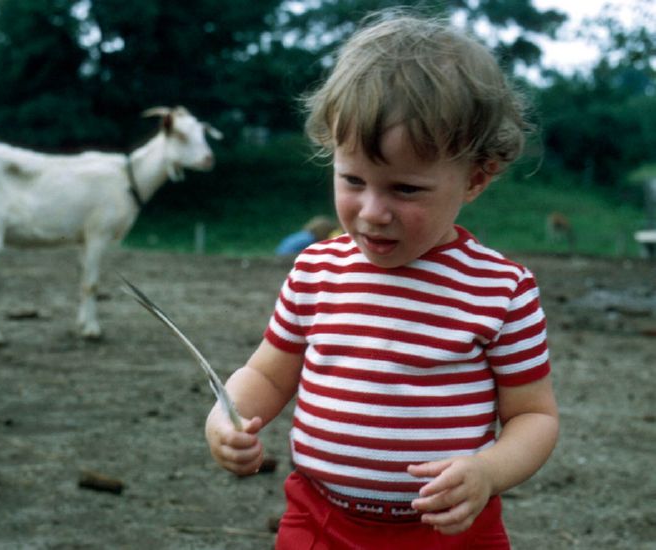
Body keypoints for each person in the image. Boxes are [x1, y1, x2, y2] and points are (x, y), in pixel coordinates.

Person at [205, 9, 558, 549]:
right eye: (352, 180)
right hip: (319, 520)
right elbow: (270, 375)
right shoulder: (316, 270)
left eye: (405, 189)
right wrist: (226, 418)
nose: (372, 211)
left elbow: (533, 417)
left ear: (476, 178)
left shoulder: (501, 290)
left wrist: (487, 472)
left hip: (448, 532)